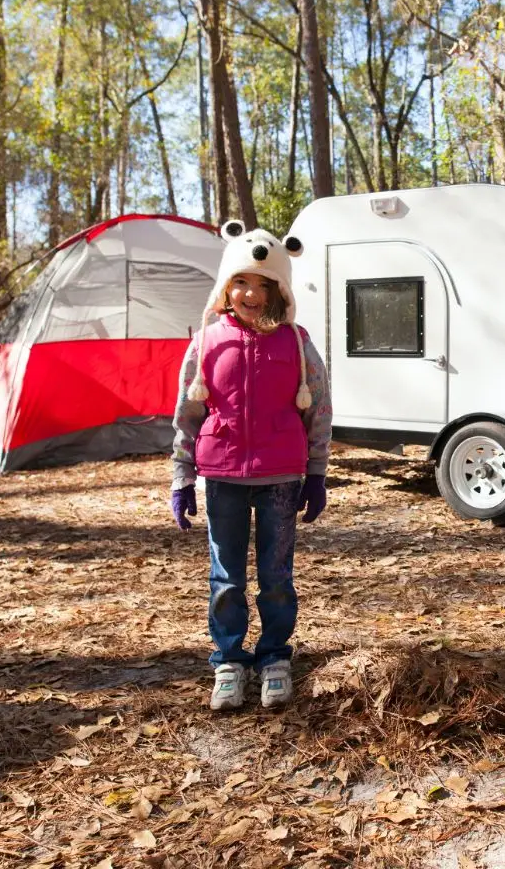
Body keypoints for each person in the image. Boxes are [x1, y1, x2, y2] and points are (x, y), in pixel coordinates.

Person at [169, 219, 332, 711]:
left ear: (280, 289)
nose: (250, 293)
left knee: (277, 575)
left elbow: (318, 408)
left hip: (281, 476)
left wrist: (318, 472)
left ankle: (275, 658)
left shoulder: (296, 342)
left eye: (264, 285)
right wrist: (182, 475)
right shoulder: (207, 341)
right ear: (226, 287)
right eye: (241, 282)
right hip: (222, 477)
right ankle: (228, 660)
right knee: (227, 576)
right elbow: (187, 411)